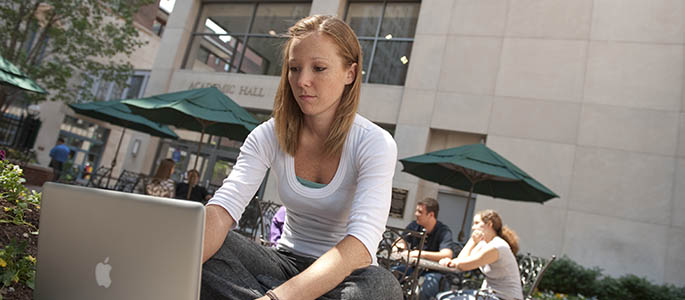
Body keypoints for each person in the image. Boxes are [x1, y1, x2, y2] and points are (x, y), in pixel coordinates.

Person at [201, 15, 401, 300]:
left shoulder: (374, 142)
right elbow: (223, 209)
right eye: (294, 68)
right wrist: (175, 266)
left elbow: (360, 247)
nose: (302, 80)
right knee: (201, 240)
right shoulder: (267, 135)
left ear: (350, 73)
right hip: (282, 263)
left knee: (383, 287)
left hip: (344, 278)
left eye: (319, 68)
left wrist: (276, 298)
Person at [437, 210, 523, 300]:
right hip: (489, 294)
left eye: (477, 223)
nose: (473, 227)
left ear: (489, 224)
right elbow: (461, 260)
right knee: (442, 296)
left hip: (504, 297)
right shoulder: (484, 244)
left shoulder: (497, 246)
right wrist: (472, 241)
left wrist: (451, 262)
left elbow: (464, 265)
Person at [394, 198, 456, 300]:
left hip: (435, 272)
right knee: (393, 274)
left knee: (426, 287)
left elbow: (447, 254)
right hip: (414, 268)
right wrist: (400, 246)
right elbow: (400, 241)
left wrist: (421, 254)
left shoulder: (443, 231)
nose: (416, 214)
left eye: (420, 212)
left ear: (431, 215)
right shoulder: (414, 226)